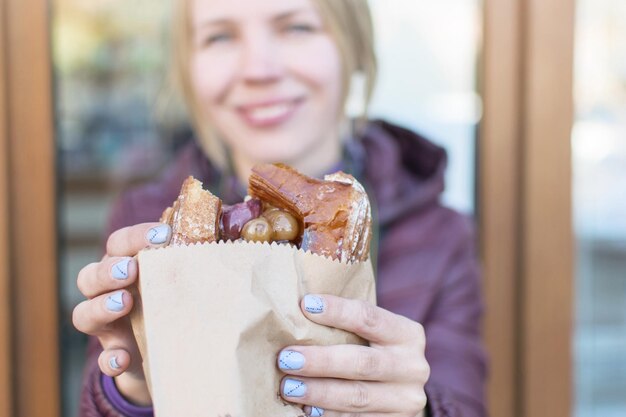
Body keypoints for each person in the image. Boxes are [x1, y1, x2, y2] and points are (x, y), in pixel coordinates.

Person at [73, 0, 488, 416]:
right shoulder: (145, 222)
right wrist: (133, 388)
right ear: (188, 69)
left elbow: (466, 404)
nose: (259, 69)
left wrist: (419, 409)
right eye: (220, 35)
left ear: (355, 49)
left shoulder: (440, 235)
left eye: (296, 27)